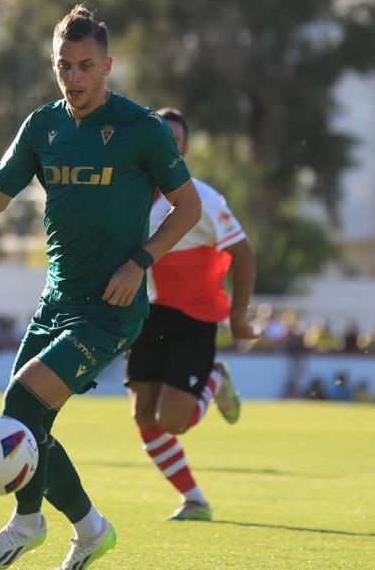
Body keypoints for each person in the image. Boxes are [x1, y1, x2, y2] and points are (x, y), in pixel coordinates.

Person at [0, 5, 200, 570]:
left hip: (110, 311)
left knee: (18, 405)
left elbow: (188, 208)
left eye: (86, 65)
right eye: (64, 66)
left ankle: (29, 523)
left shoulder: (143, 128)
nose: (75, 78)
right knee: (26, 425)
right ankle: (90, 530)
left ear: (107, 65)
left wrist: (140, 261)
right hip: (56, 301)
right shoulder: (44, 125)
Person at [124, 107, 256, 522]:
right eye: (162, 137)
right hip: (147, 316)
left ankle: (215, 378)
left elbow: (244, 253)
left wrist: (239, 315)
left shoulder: (204, 197)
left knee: (173, 421)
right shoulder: (128, 196)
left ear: (183, 148)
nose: (169, 145)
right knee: (144, 415)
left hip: (194, 318)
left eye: (176, 139)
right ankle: (194, 499)